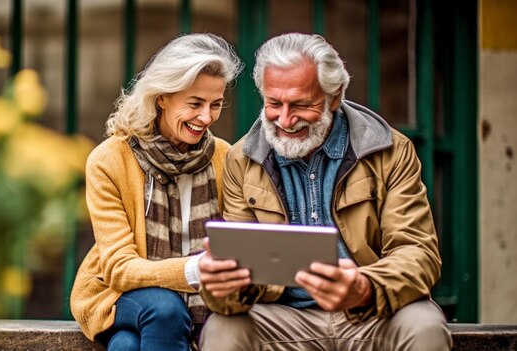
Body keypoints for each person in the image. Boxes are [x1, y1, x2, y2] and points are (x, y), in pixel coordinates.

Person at [197, 33, 453, 350]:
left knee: (424, 324)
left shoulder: (390, 150)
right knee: (223, 327)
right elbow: (240, 275)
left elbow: (419, 255)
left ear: (335, 97)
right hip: (283, 318)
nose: (285, 120)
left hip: (371, 315)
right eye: (274, 104)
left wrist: (363, 287)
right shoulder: (241, 159)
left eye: (302, 104)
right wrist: (221, 286)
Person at [70, 33, 242, 351]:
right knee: (164, 308)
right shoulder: (110, 160)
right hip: (117, 293)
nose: (206, 117)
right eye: (195, 104)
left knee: (126, 346)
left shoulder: (224, 156)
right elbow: (120, 269)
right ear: (161, 97)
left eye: (215, 105)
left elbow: (237, 245)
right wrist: (195, 269)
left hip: (204, 302)